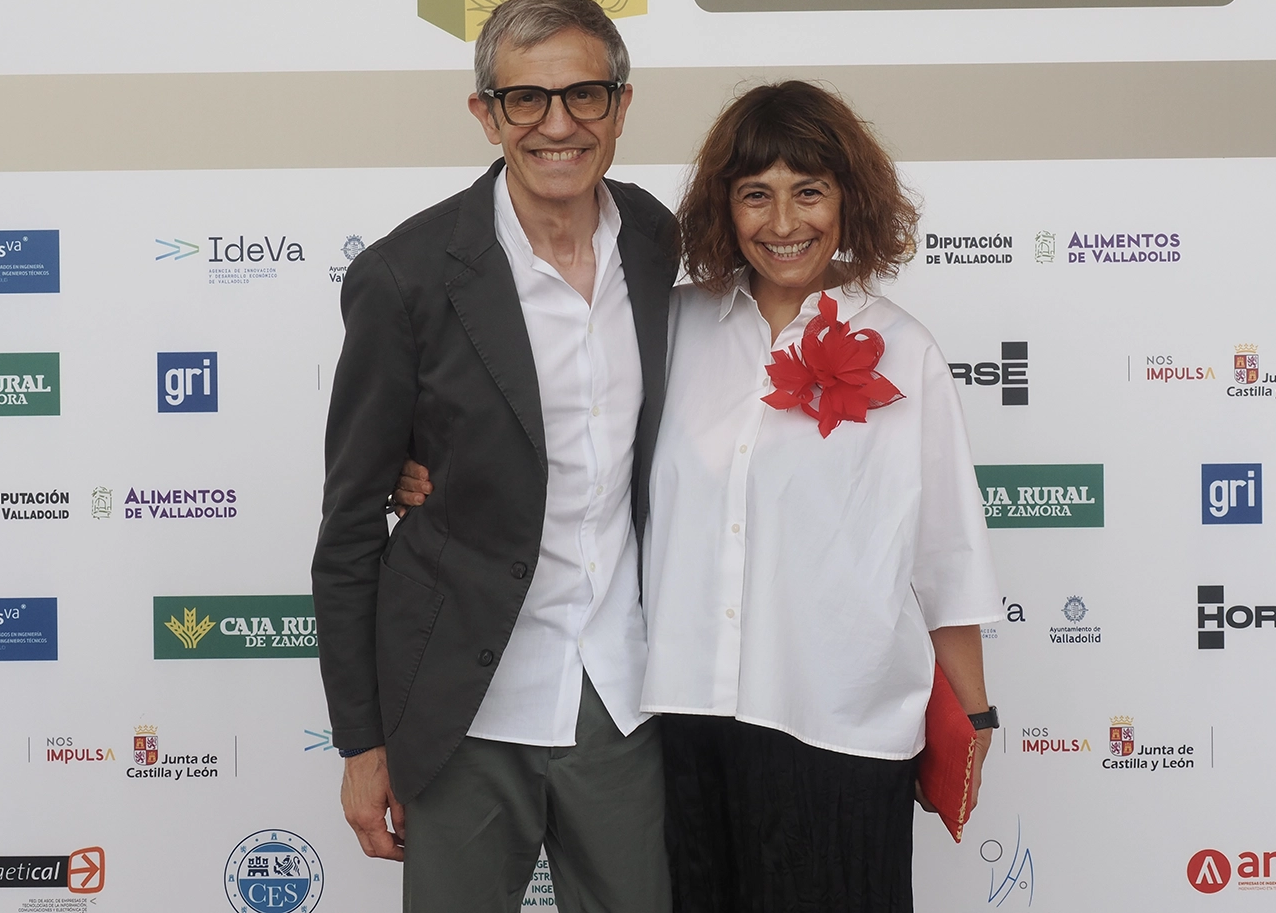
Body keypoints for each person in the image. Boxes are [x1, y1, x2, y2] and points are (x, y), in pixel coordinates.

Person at [396, 81, 1003, 911]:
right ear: (725, 206)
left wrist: (972, 721)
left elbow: (948, 556)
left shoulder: (906, 350)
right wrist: (422, 465)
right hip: (686, 719)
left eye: (809, 192)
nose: (783, 222)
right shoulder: (674, 325)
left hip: (839, 723)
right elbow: (569, 426)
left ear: (849, 200)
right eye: (757, 194)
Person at [312, 0, 677, 913]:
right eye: (527, 99)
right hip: (462, 705)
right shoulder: (406, 277)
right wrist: (361, 745)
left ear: (622, 105)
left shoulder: (656, 239)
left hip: (621, 693)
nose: (558, 124)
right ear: (486, 114)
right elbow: (350, 526)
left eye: (585, 94)